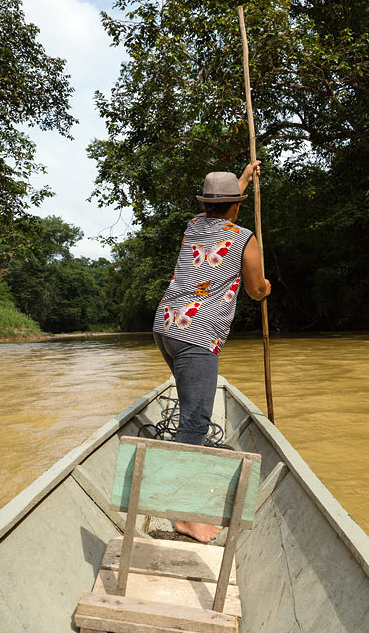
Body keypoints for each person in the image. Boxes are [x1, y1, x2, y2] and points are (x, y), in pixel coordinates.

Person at [152, 160, 271, 542]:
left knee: (192, 414)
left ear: (205, 204)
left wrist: (244, 179)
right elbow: (255, 289)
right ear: (236, 205)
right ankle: (184, 515)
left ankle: (182, 499)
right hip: (197, 336)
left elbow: (221, 205)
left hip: (167, 327)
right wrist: (266, 287)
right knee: (195, 421)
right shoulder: (243, 238)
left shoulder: (192, 226)